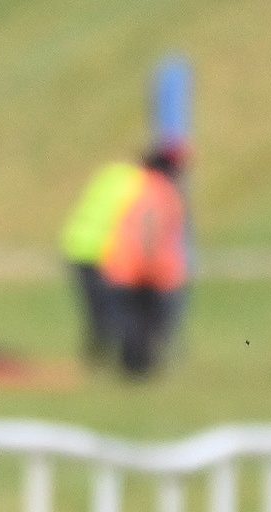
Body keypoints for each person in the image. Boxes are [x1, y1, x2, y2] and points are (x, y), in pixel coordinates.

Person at [61, 142, 189, 375]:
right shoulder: (150, 187)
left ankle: (101, 361)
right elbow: (147, 231)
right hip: (110, 256)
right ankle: (122, 365)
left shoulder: (117, 175)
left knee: (104, 316)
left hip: (84, 248)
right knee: (123, 317)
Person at [99, 142, 189, 378]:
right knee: (147, 324)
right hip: (148, 269)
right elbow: (154, 230)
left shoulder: (130, 184)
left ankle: (132, 368)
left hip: (124, 265)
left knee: (129, 323)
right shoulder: (162, 191)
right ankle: (139, 369)